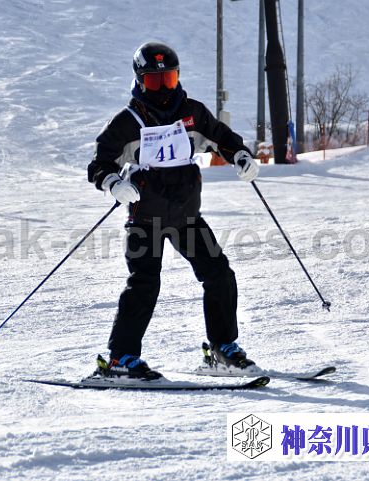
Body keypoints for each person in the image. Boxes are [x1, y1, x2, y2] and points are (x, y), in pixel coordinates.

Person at [87, 41, 260, 380]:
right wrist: (113, 183)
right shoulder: (128, 122)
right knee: (144, 283)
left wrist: (241, 156)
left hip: (186, 218)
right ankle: (121, 358)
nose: (164, 89)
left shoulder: (192, 113)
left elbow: (222, 138)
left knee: (219, 275)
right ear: (140, 81)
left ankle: (222, 349)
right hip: (144, 219)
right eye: (155, 82)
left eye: (169, 79)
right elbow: (100, 163)